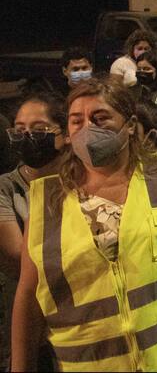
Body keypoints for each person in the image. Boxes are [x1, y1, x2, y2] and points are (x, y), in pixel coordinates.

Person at [11, 78, 157, 371]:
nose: (87, 129)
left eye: (100, 118)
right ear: (67, 134)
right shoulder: (47, 199)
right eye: (76, 121)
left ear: (131, 124)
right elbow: (29, 293)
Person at [0, 93, 67, 371]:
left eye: (39, 130)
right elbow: (18, 256)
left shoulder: (83, 180)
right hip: (23, 308)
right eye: (19, 130)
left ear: (63, 134)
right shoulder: (7, 187)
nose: (27, 137)